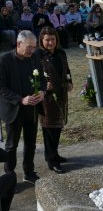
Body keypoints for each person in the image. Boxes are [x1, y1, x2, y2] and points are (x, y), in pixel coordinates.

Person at [0, 30, 46, 185]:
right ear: (19, 44)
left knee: (31, 142)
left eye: (34, 47)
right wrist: (20, 99)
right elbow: (2, 88)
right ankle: (9, 176)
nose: (33, 51)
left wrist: (42, 92)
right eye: (29, 47)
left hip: (31, 109)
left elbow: (42, 79)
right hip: (14, 109)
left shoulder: (34, 58)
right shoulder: (4, 60)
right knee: (11, 145)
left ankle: (29, 172)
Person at [35, 27, 73, 174]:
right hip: (47, 98)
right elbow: (32, 75)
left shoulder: (61, 53)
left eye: (53, 39)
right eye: (47, 40)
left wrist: (70, 82)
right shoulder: (38, 55)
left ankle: (53, 154)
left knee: (57, 127)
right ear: (42, 41)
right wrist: (43, 85)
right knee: (49, 129)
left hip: (61, 95)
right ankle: (52, 161)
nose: (50, 42)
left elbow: (67, 70)